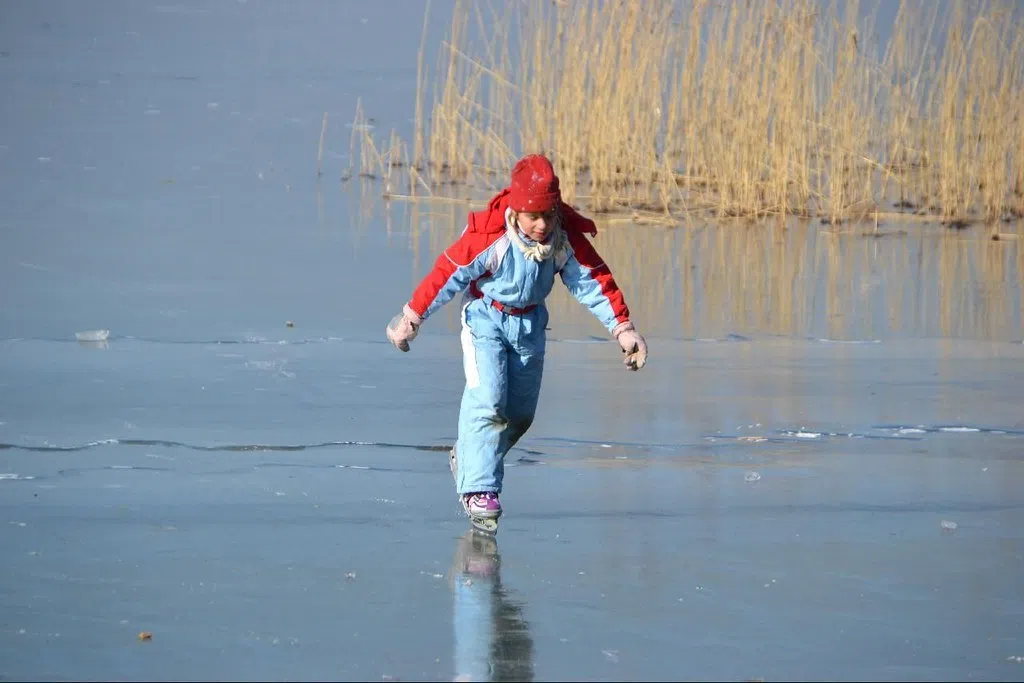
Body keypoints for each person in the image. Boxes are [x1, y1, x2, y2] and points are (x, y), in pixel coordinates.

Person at [386, 153, 648, 522]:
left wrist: (623, 328)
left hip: (530, 327)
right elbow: (448, 274)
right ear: (516, 211)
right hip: (485, 320)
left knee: (520, 416)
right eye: (532, 216)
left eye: (548, 215)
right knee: (488, 400)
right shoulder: (491, 236)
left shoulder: (562, 240)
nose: (541, 225)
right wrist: (411, 317)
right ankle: (479, 489)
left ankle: (469, 454)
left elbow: (593, 282)